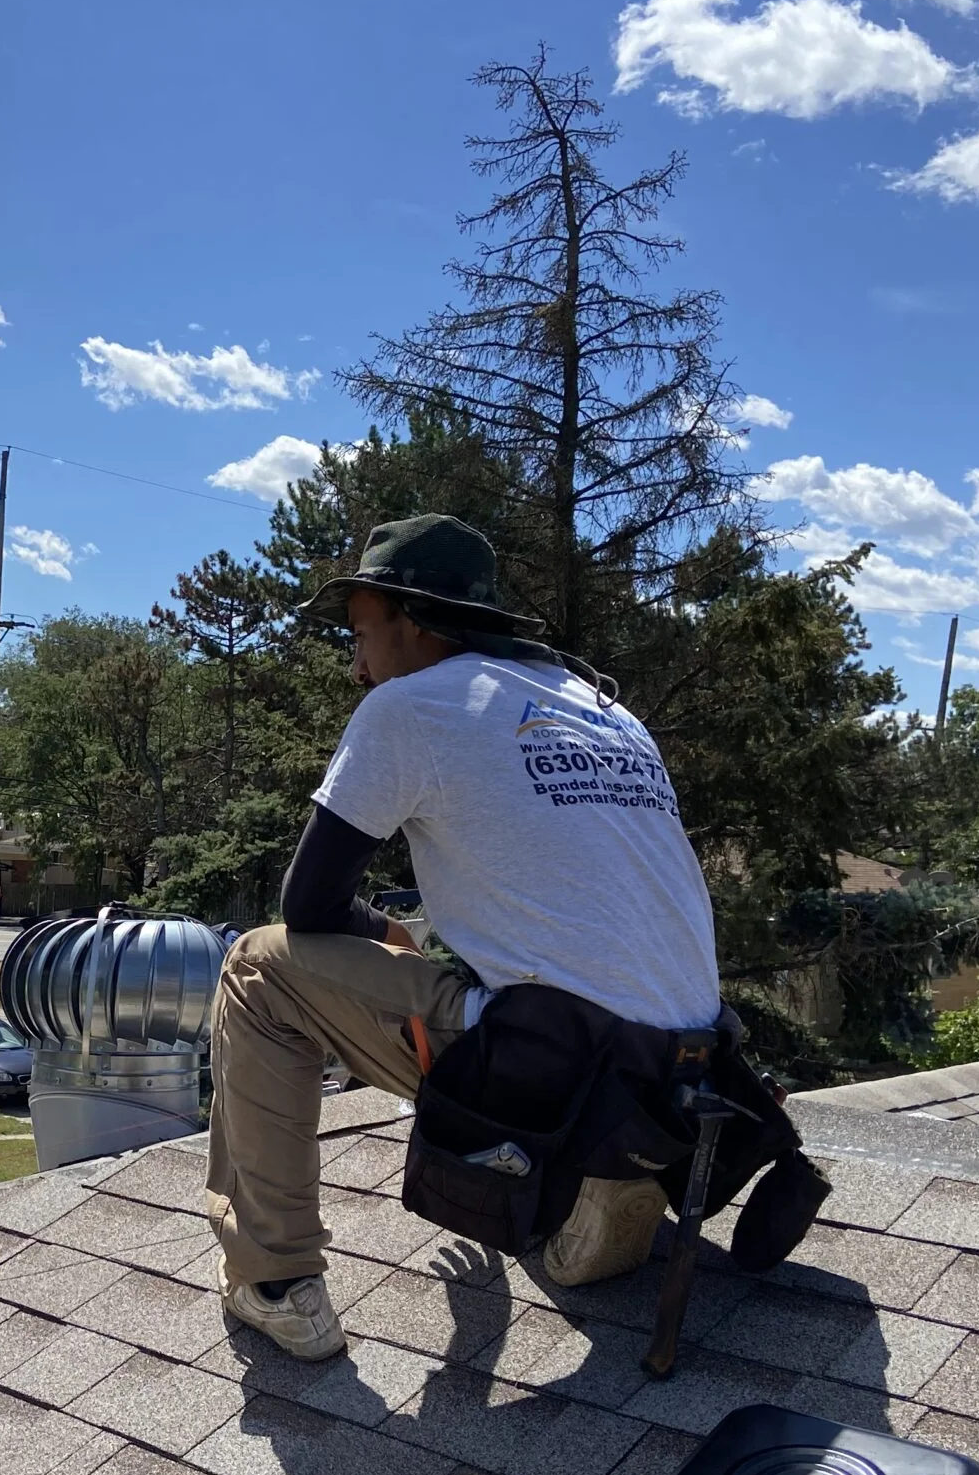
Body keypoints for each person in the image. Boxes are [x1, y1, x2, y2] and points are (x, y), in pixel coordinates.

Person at [209, 514, 819, 1362]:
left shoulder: (409, 707)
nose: (356, 667)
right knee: (500, 991)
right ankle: (601, 1176)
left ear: (412, 620)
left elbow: (308, 905)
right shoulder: (607, 712)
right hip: (680, 1063)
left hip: (561, 1061)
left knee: (257, 966)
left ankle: (275, 1279)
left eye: (359, 635)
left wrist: (383, 931)